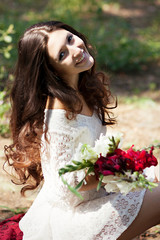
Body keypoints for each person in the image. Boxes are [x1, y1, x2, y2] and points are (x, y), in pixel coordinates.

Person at [4, 20, 160, 240]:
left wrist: (120, 166)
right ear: (52, 70)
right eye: (62, 55)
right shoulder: (59, 109)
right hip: (75, 216)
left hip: (100, 193)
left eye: (69, 39)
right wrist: (111, 170)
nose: (76, 50)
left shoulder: (81, 88)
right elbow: (65, 185)